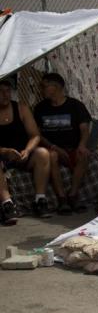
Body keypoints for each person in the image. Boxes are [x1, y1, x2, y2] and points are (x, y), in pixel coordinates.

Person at [33, 72, 92, 213]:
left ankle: (73, 195)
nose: (41, 89)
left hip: (72, 147)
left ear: (55, 87)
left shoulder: (75, 105)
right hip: (52, 149)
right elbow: (37, 134)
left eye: (44, 86)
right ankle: (62, 199)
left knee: (84, 154)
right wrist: (54, 147)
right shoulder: (40, 108)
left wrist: (82, 145)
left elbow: (84, 129)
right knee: (51, 155)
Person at [0, 78, 55, 218]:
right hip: (2, 156)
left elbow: (35, 135)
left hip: (23, 154)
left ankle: (40, 200)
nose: (5, 95)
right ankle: (7, 205)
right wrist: (5, 151)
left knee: (43, 153)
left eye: (7, 91)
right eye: (0, 92)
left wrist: (28, 150)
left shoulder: (21, 108)